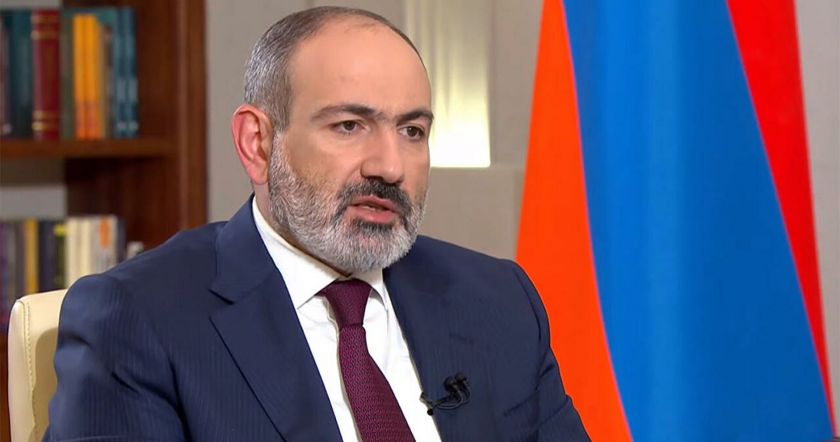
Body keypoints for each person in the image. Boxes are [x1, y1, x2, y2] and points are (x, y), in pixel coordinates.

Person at [45, 6, 589, 441]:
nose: (390, 167)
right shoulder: (139, 319)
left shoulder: (498, 301)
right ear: (258, 143)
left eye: (412, 132)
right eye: (349, 125)